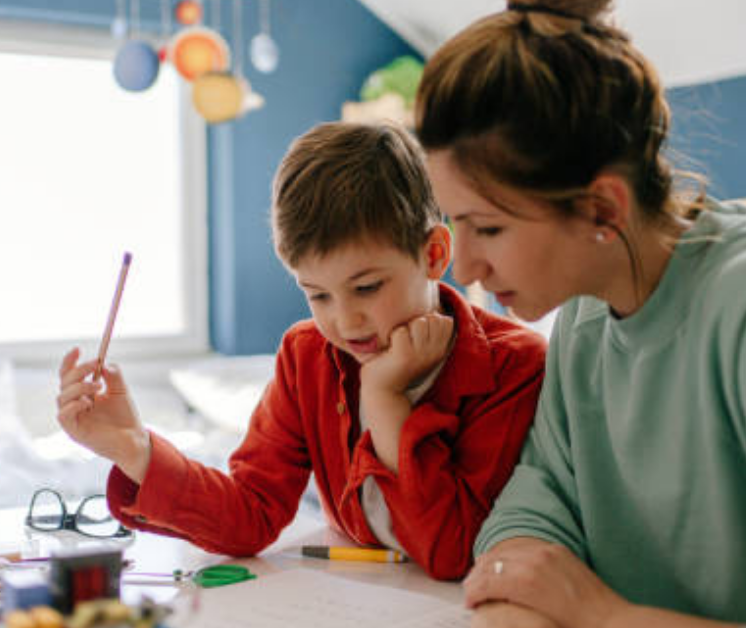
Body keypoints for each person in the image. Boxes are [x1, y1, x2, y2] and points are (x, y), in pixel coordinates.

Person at [415, 0, 746, 626]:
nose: (466, 270)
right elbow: (540, 496)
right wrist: (518, 582)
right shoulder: (586, 321)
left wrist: (603, 615)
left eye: (487, 226)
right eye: (457, 225)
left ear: (602, 210)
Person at [55, 122, 546, 580]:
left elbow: (452, 553)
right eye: (317, 295)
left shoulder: (515, 365)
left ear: (435, 254)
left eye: (368, 287)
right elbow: (252, 514)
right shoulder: (306, 354)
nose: (345, 321)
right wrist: (133, 448)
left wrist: (384, 400)